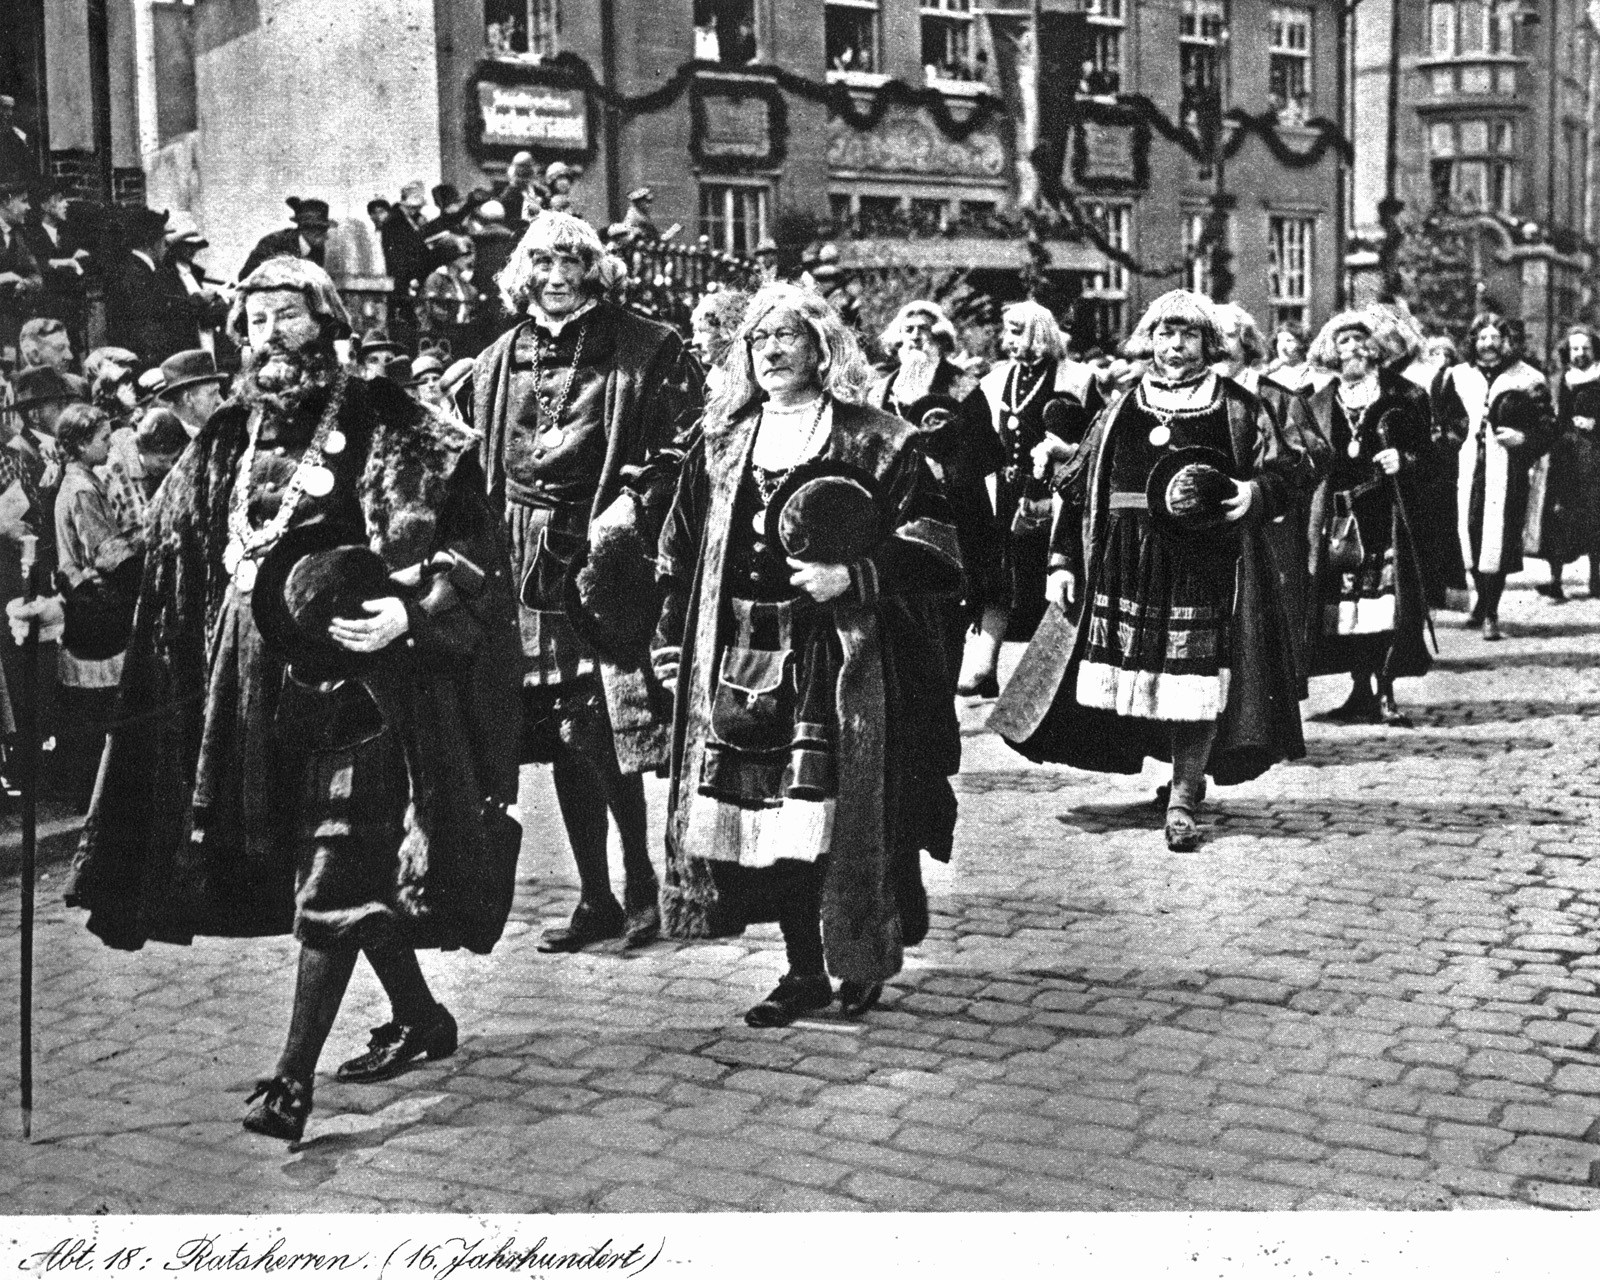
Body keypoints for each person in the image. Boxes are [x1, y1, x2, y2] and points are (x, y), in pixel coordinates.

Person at [66, 256, 523, 1143]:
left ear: (327, 321)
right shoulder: (226, 435)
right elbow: (162, 552)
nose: (268, 335)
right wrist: (74, 599)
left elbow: (475, 551)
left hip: (367, 688)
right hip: (247, 695)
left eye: (286, 315)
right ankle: (421, 1017)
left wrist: (413, 612)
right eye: (254, 320)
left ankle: (290, 1081)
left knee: (334, 871)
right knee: (319, 867)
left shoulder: (396, 421)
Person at [652, 281, 962, 1026]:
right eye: (758, 339)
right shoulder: (721, 441)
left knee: (850, 809)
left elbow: (938, 547)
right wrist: (669, 644)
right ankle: (801, 971)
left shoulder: (881, 439)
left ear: (823, 348)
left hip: (845, 655)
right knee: (774, 820)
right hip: (744, 652)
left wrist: (854, 576)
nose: (772, 351)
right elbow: (678, 553)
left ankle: (861, 953)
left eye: (787, 335)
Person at [990, 290, 1308, 852]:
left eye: (1188, 334)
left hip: (1203, 562)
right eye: (1165, 334)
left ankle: (1184, 794)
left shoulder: (1237, 406)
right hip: (1124, 561)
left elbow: (1292, 465)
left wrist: (1255, 493)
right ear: (1150, 340)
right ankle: (1175, 773)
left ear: (1207, 343)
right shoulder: (1122, 406)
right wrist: (1062, 562)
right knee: (1145, 677)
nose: (1175, 346)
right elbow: (1081, 487)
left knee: (1196, 680)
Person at [466, 210, 702, 953]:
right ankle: (595, 896)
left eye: (572, 263)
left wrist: (631, 503)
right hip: (518, 560)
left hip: (603, 559)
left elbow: (686, 444)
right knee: (563, 732)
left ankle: (642, 884)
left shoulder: (648, 347)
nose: (558, 278)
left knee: (604, 727)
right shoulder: (497, 357)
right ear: (522, 275)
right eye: (542, 264)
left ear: (595, 270)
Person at [957, 299, 1103, 695]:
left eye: (1016, 331)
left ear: (1040, 332)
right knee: (998, 574)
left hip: (1059, 494)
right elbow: (973, 435)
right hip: (1007, 493)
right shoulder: (994, 380)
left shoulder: (1079, 378)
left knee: (1054, 576)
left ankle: (1051, 678)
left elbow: (1099, 439)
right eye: (1006, 331)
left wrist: (1064, 454)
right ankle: (985, 664)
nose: (1007, 339)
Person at [1302, 311, 1433, 726]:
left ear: (1377, 348)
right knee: (1347, 611)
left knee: (1388, 608)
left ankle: (1386, 692)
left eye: (1361, 339)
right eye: (1344, 342)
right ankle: (1360, 691)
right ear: (1332, 352)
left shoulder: (1405, 396)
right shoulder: (1317, 403)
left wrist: (1405, 460)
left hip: (1388, 515)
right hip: (1340, 520)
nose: (1353, 348)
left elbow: (1434, 456)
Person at [870, 300, 999, 696]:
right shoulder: (880, 389)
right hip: (894, 516)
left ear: (941, 338)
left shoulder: (963, 387)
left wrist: (947, 453)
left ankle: (941, 707)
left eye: (924, 330)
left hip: (953, 513)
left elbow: (989, 451)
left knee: (947, 614)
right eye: (907, 330)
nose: (915, 337)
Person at [1432, 313, 1553, 640]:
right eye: (1482, 338)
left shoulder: (1528, 377)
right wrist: (1452, 441)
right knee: (1469, 535)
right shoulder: (1458, 376)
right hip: (1467, 470)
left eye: (1495, 338)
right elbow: (1444, 420)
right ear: (1473, 341)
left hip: (1508, 471)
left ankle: (1491, 612)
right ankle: (1482, 600)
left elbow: (1548, 426)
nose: (1489, 344)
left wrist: (1524, 438)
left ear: (1507, 342)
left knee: (1500, 539)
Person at [52, 403, 143, 810]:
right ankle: (94, 795)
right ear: (81, 444)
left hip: (87, 602)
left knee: (91, 705)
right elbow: (105, 552)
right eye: (103, 439)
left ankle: (89, 792)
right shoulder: (82, 489)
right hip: (95, 603)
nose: (110, 445)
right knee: (99, 704)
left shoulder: (82, 480)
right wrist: (144, 544)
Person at [1527, 325, 1600, 602]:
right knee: (1559, 514)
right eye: (1575, 349)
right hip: (1568, 455)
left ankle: (1596, 579)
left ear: (1595, 350)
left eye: (1585, 348)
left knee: (1594, 514)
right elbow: (1561, 419)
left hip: (1595, 455)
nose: (1580, 353)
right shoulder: (1565, 380)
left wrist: (1595, 424)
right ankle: (1555, 580)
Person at [103, 207, 194, 365]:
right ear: (154, 242)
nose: (166, 247)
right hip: (144, 363)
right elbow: (149, 330)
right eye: (163, 241)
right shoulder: (138, 274)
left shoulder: (134, 269)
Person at [103, 405, 188, 536]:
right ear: (142, 449)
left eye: (173, 459)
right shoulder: (115, 475)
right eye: (162, 460)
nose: (169, 466)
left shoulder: (157, 464)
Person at [23, 179, 91, 337]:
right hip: (44, 315)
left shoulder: (69, 232)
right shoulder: (31, 235)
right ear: (44, 206)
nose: (66, 204)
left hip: (72, 314)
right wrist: (62, 263)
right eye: (60, 200)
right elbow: (37, 267)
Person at [239, 197, 335, 281]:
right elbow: (245, 276)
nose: (326, 236)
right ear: (305, 229)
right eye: (321, 231)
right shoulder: (273, 243)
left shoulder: (317, 250)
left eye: (325, 230)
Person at [0, 177, 43, 362]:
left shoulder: (21, 235)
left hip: (15, 328)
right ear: (6, 202)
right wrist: (3, 278)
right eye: (23, 201)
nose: (29, 207)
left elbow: (36, 276)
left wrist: (25, 283)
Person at [154, 348, 230, 437]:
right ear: (188, 399)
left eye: (218, 392)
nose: (221, 402)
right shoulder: (171, 440)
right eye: (212, 394)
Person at [689, 289, 750, 397]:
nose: (694, 342)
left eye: (703, 332)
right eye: (695, 333)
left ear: (730, 331)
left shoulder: (753, 379)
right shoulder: (710, 382)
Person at [1266, 321, 1311, 391]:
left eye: (1289, 341)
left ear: (1301, 344)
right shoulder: (1272, 378)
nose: (1283, 348)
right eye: (1279, 341)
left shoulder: (1313, 375)